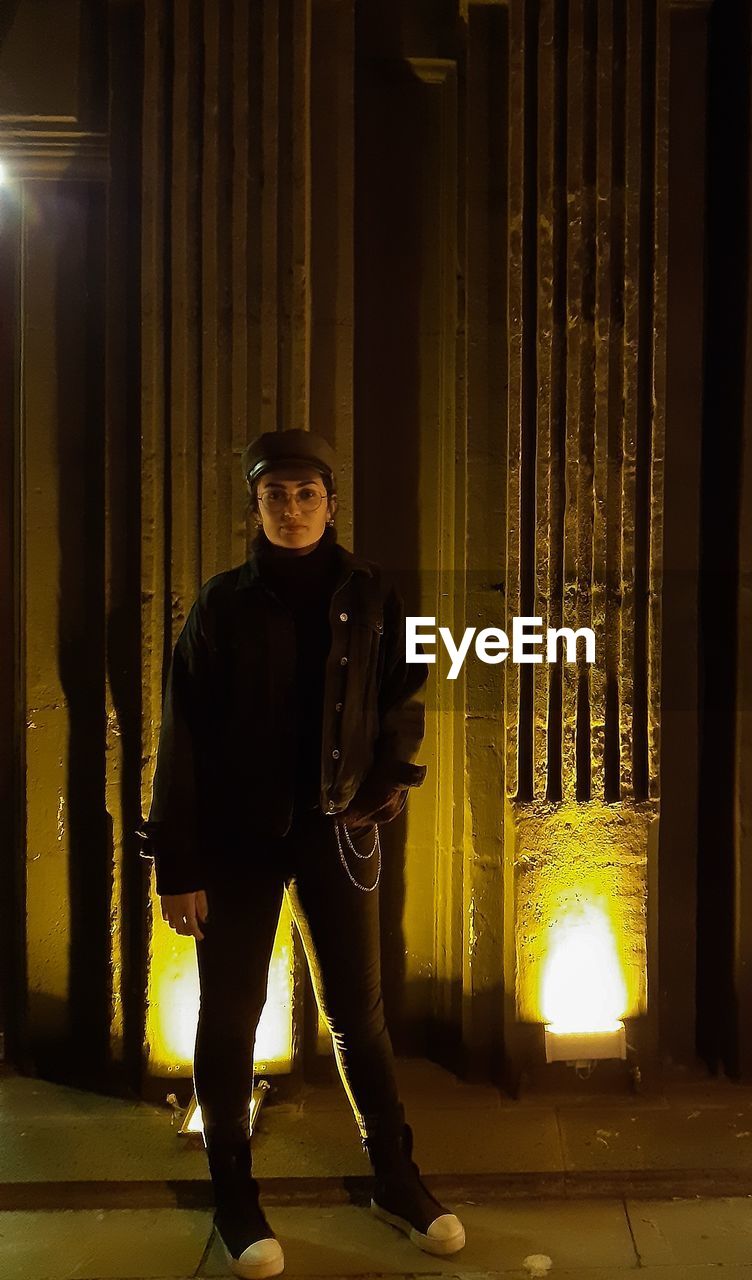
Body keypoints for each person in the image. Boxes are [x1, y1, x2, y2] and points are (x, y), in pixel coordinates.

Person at [138, 429, 465, 1279]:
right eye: (275, 495)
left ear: (329, 501)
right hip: (237, 844)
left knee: (359, 1016)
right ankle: (235, 1196)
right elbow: (184, 738)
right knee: (231, 1016)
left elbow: (404, 694)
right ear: (256, 506)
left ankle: (395, 1178)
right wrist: (178, 866)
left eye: (305, 494)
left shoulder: (372, 591)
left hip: (336, 834)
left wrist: (387, 781)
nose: (291, 509)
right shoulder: (220, 605)